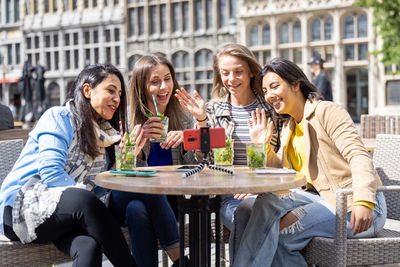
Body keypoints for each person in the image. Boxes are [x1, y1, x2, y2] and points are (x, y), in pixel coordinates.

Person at [232, 58, 387, 267]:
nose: (269, 95)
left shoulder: (327, 112)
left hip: (352, 204)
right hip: (317, 199)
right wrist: (262, 146)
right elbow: (281, 173)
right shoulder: (288, 127)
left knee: (281, 235)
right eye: (265, 90)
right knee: (246, 208)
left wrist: (364, 201)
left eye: (274, 86)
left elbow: (358, 155)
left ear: (296, 84)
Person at [0, 64, 138, 266]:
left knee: (88, 246)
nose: (117, 98)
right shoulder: (59, 117)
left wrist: (126, 160)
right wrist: (90, 205)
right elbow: (52, 173)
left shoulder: (105, 135)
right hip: (20, 208)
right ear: (87, 90)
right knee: (84, 200)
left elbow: (98, 189)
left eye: (119, 93)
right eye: (110, 90)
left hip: (63, 213)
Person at [175, 43, 284, 260]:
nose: (231, 79)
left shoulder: (271, 109)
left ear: (252, 72)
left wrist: (257, 189)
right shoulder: (214, 109)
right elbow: (203, 160)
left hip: (267, 194)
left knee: (254, 216)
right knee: (247, 215)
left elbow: (281, 158)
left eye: (238, 72)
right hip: (229, 197)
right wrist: (201, 120)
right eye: (225, 73)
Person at [108, 55, 195, 267]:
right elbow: (113, 173)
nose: (163, 86)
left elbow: (196, 167)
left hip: (167, 202)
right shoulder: (124, 121)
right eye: (155, 82)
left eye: (168, 78)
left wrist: (187, 140)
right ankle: (181, 261)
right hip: (121, 195)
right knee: (147, 186)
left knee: (136, 211)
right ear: (141, 86)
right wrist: (135, 150)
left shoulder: (183, 117)